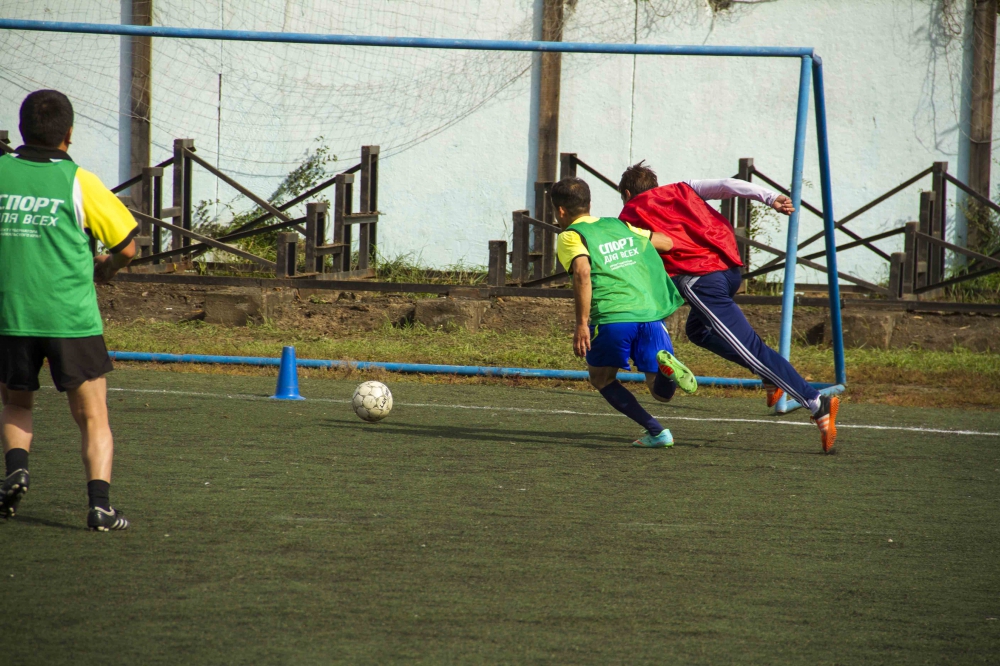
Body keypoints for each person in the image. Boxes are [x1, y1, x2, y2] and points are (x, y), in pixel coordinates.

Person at [617, 161, 839, 453]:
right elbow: (727, 185)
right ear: (655, 185)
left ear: (627, 193)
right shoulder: (683, 188)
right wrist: (770, 197)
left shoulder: (630, 214)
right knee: (698, 331)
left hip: (701, 280)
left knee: (751, 347)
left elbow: (643, 254)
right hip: (730, 271)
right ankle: (769, 375)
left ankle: (816, 402)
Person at [0, 90, 138, 530]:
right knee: (92, 416)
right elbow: (127, 247)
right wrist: (107, 267)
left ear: (21, 129)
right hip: (70, 320)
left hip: (10, 316)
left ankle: (17, 472)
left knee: (16, 403)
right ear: (69, 134)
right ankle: (100, 507)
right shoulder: (80, 181)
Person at [552, 177, 698, 448]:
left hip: (613, 316)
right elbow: (666, 243)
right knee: (661, 393)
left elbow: (582, 272)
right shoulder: (619, 225)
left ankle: (657, 432)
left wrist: (581, 324)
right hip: (650, 313)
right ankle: (666, 373)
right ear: (589, 204)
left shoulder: (571, 235)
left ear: (560, 211)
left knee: (601, 378)